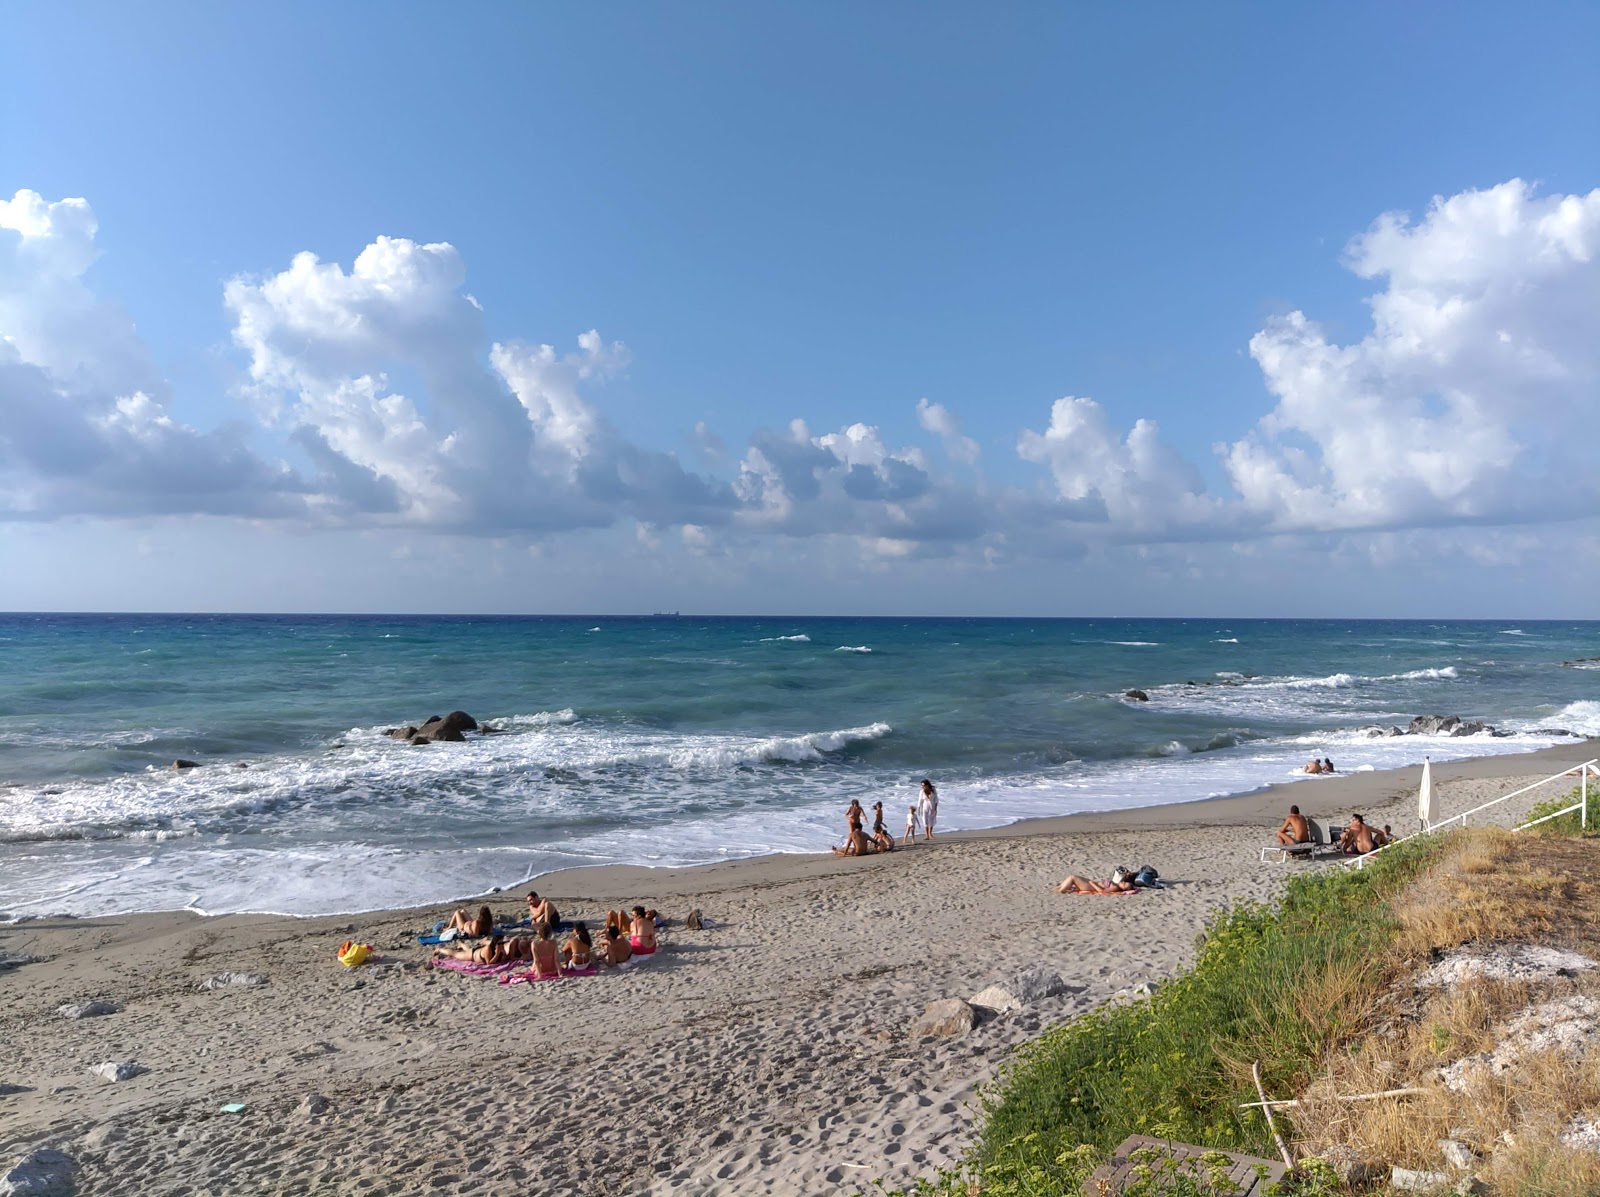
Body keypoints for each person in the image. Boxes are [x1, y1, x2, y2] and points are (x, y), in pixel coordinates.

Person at [1055, 867, 1137, 895]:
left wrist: (1092, 884)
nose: (1123, 882)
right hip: (1091, 883)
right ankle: (1060, 887)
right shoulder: (1116, 883)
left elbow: (1102, 891)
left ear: (1123, 889)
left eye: (1124, 884)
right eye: (1124, 882)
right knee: (1071, 876)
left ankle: (1061, 890)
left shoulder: (1115, 887)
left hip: (1090, 886)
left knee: (1073, 877)